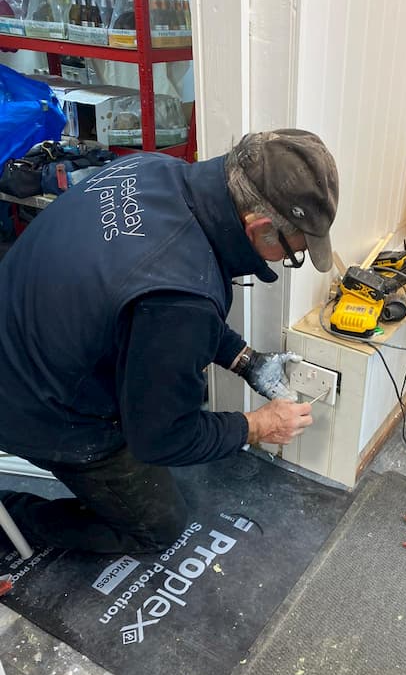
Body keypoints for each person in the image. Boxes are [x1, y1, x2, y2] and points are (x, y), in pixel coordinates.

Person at [0, 128, 338, 554]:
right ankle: (14, 517)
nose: (290, 260)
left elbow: (156, 299)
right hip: (33, 406)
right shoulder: (182, 301)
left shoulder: (150, 168)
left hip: (21, 333)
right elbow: (161, 439)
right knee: (158, 527)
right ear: (261, 227)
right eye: (294, 251)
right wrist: (258, 426)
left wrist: (245, 359)